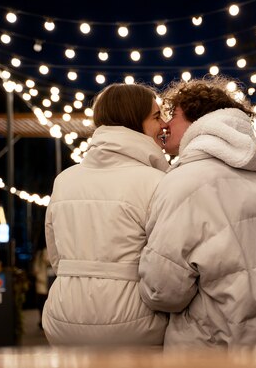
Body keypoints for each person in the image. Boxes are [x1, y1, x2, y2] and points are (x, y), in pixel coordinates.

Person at [138, 76, 256, 348]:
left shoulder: (184, 181)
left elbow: (163, 291)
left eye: (174, 115)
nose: (166, 124)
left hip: (218, 349)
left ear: (199, 122)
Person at [42, 83, 169, 346]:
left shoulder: (65, 180)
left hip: (63, 316)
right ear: (134, 121)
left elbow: (55, 255)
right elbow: (164, 267)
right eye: (157, 117)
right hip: (135, 321)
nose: (164, 125)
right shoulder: (157, 182)